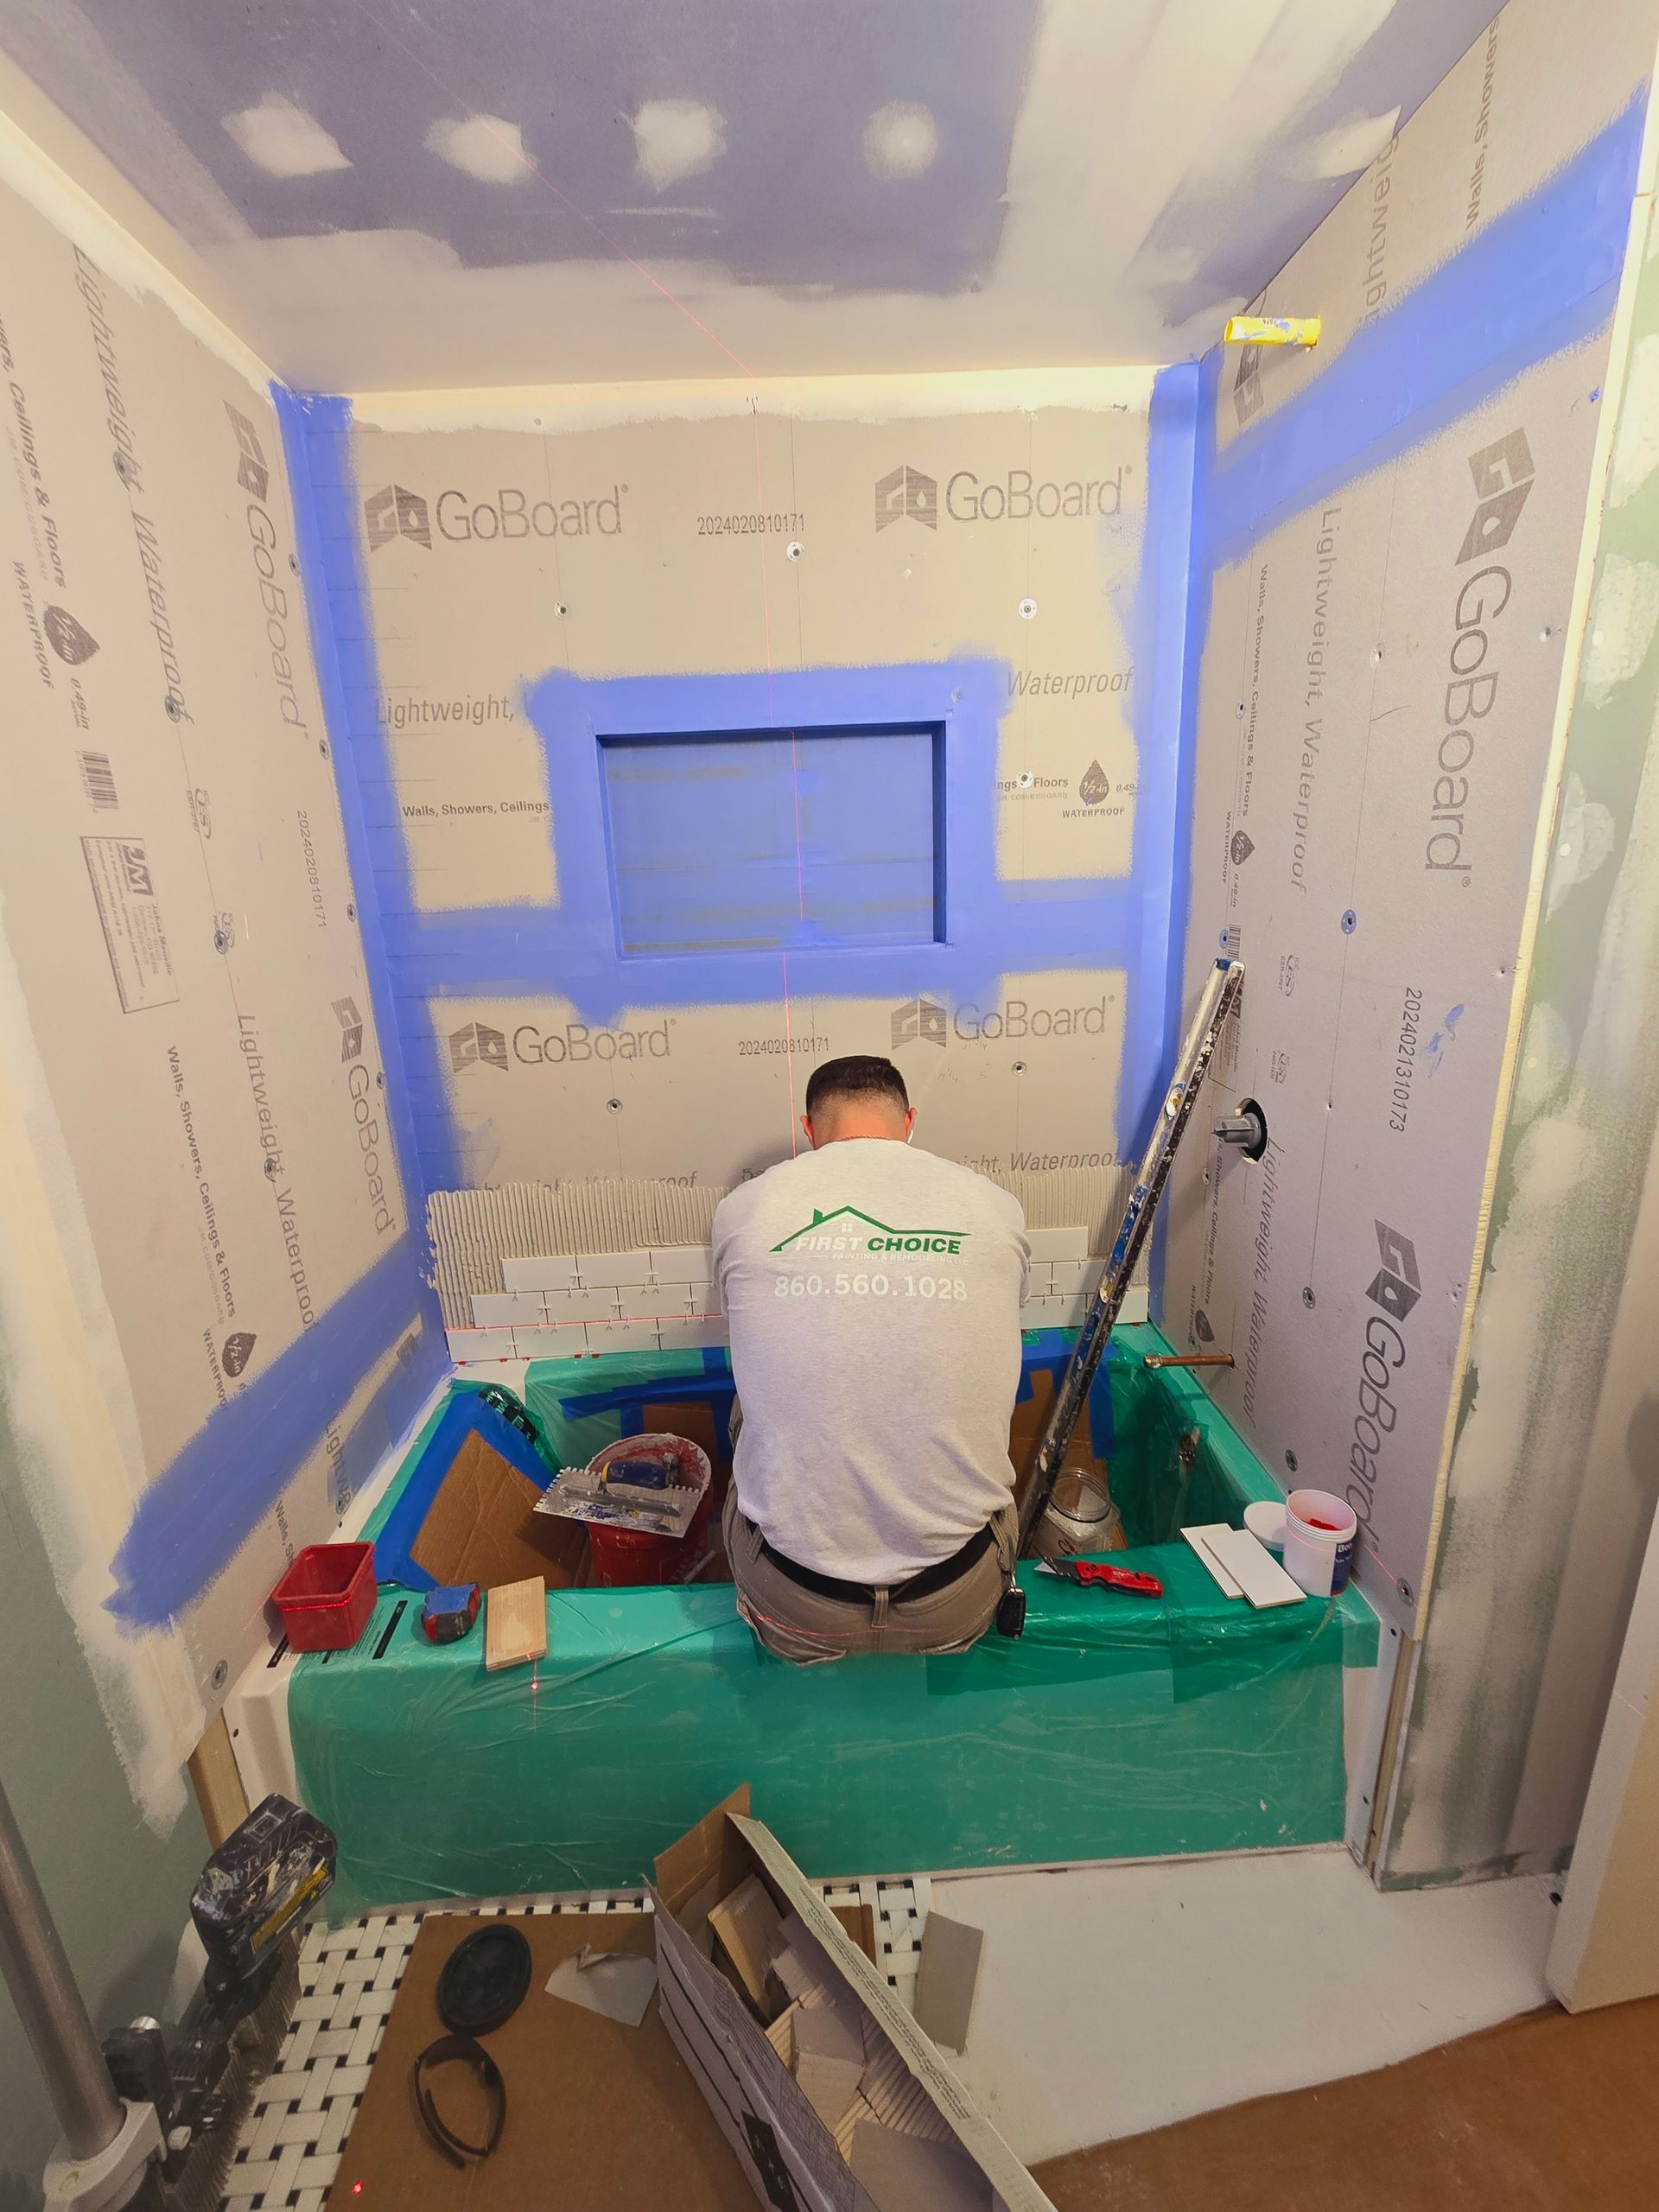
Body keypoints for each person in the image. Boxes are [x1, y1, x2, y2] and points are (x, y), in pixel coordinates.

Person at [712, 1053, 1030, 1662]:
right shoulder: (995, 1207)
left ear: (810, 1130)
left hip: (800, 1599)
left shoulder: (745, 1209)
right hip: (956, 1593)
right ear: (909, 1121)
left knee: (748, 1405)